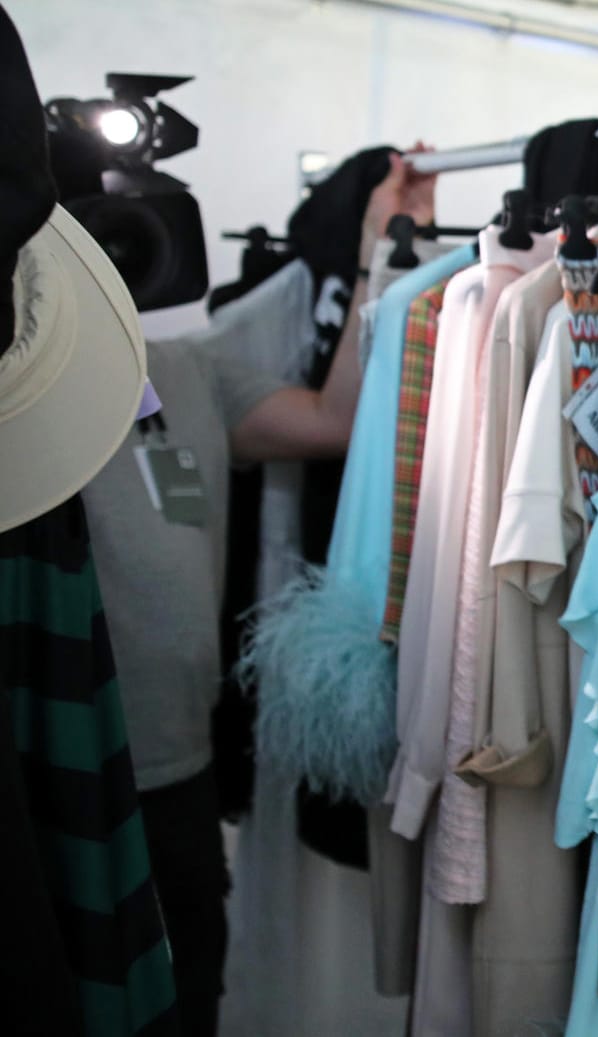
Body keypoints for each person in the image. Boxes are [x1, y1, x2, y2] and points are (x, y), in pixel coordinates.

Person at [75, 151, 436, 1037]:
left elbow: (336, 418)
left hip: (180, 776)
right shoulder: (23, 386)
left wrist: (379, 250)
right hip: (65, 762)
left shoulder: (186, 370)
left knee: (190, 987)